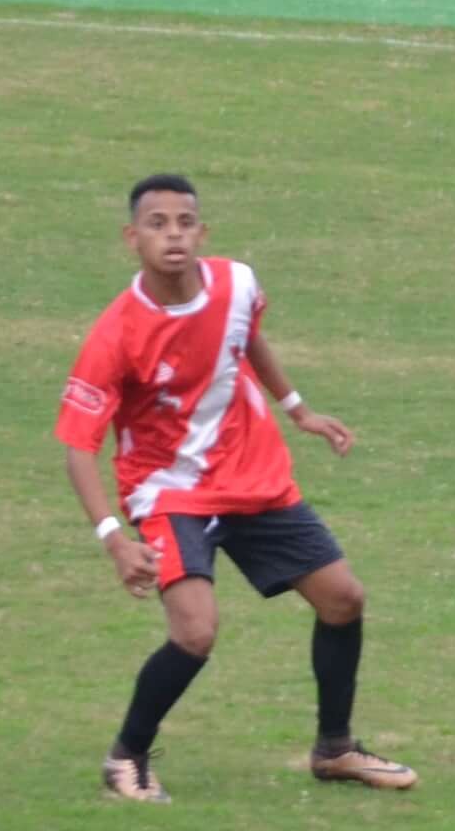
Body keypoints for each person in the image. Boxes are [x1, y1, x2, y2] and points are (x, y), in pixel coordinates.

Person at [55, 173, 413, 799]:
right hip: (169, 492)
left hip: (254, 479)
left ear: (203, 232)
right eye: (157, 224)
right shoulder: (115, 335)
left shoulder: (237, 283)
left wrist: (298, 408)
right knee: (195, 632)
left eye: (184, 222)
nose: (173, 235)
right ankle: (126, 758)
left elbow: (246, 339)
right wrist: (114, 538)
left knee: (343, 600)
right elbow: (78, 449)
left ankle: (335, 750)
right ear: (131, 237)